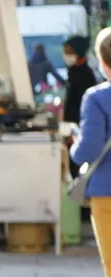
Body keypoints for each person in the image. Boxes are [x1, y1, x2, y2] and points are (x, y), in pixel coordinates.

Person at [70, 27, 111, 277]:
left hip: (107, 192)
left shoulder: (97, 98)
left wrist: (73, 146)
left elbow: (88, 150)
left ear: (102, 60)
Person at [63, 35, 100, 179]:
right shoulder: (74, 71)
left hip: (78, 129)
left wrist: (75, 130)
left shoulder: (84, 74)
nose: (66, 56)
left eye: (69, 51)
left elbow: (81, 107)